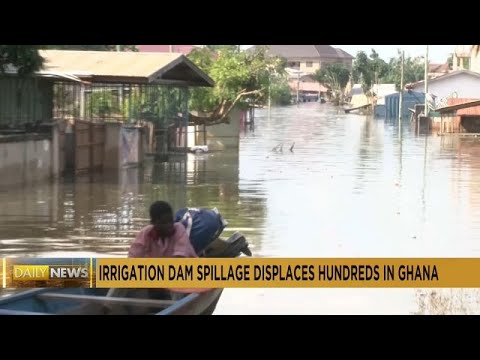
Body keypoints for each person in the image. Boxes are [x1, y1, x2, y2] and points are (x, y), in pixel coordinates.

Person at [128, 201, 198, 259]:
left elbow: (179, 257)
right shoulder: (146, 233)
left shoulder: (179, 229)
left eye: (171, 221)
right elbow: (133, 256)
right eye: (164, 223)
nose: (169, 226)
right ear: (153, 223)